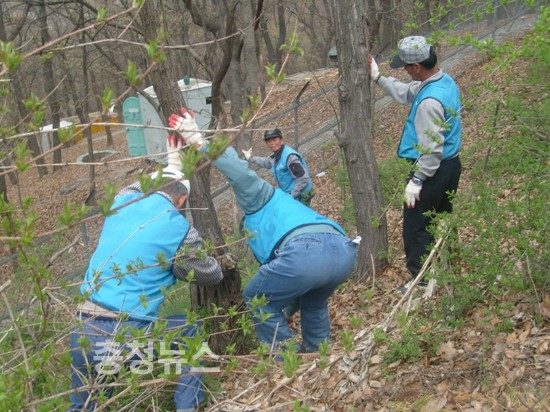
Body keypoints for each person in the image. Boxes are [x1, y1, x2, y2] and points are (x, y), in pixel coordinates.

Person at [169, 108, 358, 353]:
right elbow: (298, 281)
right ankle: (317, 356)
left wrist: (200, 142)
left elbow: (239, 172)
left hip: (305, 250)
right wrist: (286, 311)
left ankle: (285, 360)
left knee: (256, 298)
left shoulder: (261, 197)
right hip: (343, 251)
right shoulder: (287, 205)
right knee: (314, 300)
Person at [69, 136, 224, 412]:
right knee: (190, 332)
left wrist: (172, 164)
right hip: (125, 332)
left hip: (82, 326)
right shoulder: (179, 229)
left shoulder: (121, 202)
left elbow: (136, 186)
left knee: (87, 404)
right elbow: (211, 275)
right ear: (182, 199)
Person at [370, 36, 462, 292]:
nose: (405, 71)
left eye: (406, 67)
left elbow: (431, 151)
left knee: (416, 225)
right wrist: (378, 78)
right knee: (441, 218)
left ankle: (421, 281)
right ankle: (449, 268)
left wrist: (417, 180)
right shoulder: (443, 81)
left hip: (433, 170)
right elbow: (407, 92)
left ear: (417, 66)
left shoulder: (429, 103)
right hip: (451, 165)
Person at [241, 128, 315, 206]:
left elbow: (303, 179)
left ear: (281, 140)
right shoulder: (275, 156)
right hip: (291, 193)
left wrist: (291, 197)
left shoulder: (290, 157)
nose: (272, 143)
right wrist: (250, 158)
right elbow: (265, 162)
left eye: (274, 140)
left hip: (302, 193)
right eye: (268, 141)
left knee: (299, 213)